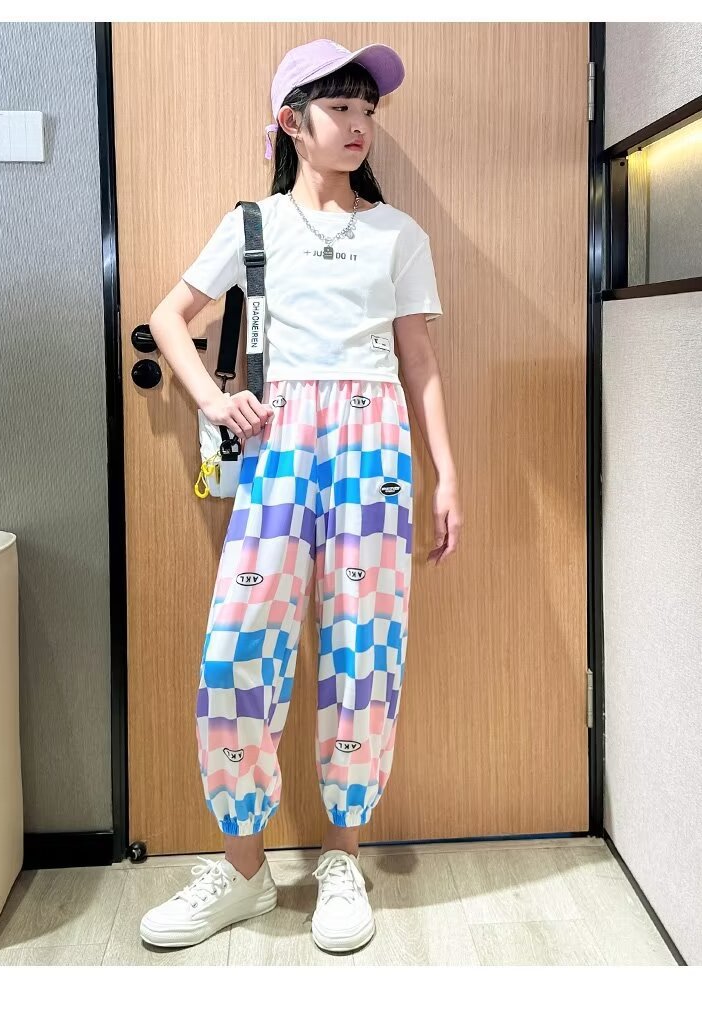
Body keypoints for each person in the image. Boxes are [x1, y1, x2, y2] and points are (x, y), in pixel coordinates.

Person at [141, 37, 462, 955]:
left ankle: (342, 860)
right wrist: (214, 402)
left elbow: (420, 361)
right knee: (238, 651)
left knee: (365, 649)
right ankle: (243, 873)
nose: (359, 126)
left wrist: (448, 473)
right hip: (279, 441)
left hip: (375, 446)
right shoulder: (255, 225)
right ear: (292, 122)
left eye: (368, 110)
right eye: (340, 108)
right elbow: (169, 317)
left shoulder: (399, 234)